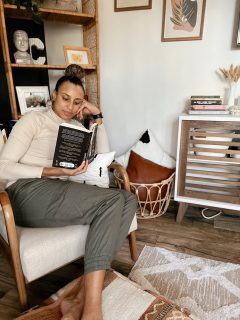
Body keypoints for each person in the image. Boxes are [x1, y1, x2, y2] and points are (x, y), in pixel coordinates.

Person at [0, 64, 137, 320]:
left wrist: (98, 117)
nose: (70, 106)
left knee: (127, 200)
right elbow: (2, 167)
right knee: (110, 203)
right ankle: (92, 308)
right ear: (53, 95)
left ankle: (77, 298)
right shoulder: (34, 120)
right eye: (65, 98)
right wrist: (55, 171)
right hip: (25, 193)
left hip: (60, 191)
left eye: (77, 102)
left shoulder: (78, 126)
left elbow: (104, 160)